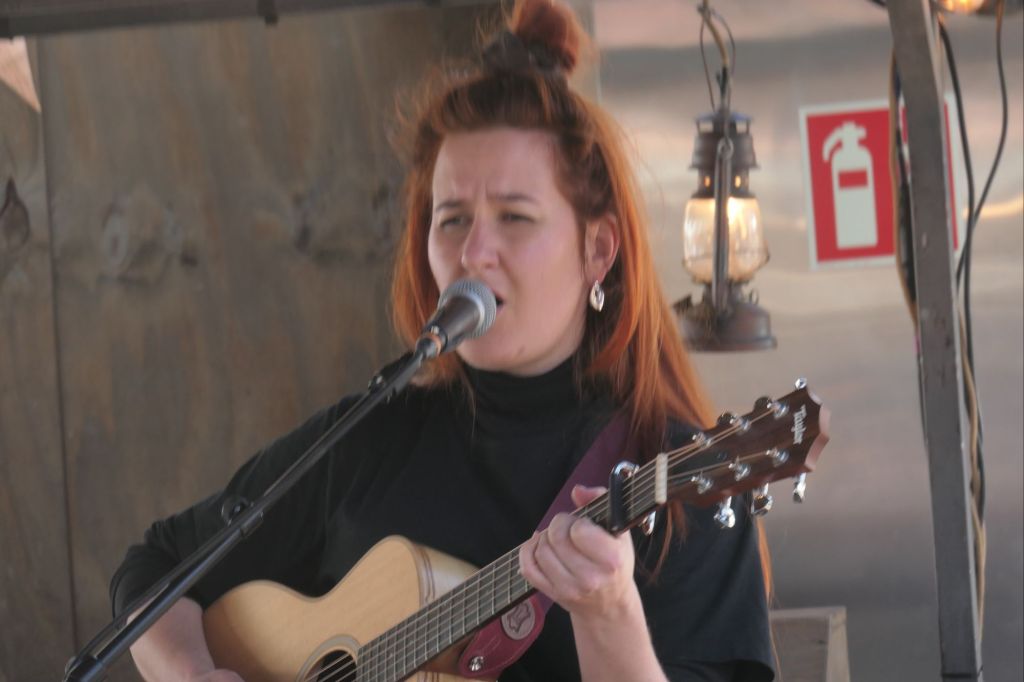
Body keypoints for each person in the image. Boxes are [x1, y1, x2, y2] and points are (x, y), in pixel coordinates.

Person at [110, 1, 775, 680]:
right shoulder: (373, 441)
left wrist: (610, 616)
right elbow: (157, 567)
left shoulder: (683, 490)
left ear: (597, 249)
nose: (473, 252)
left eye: (514, 217)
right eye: (452, 219)